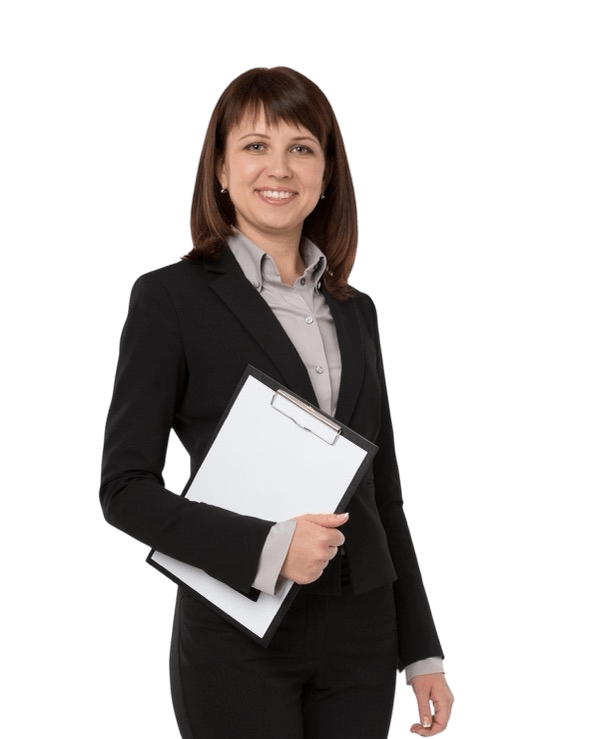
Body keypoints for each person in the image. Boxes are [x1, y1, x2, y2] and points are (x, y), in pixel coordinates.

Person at [99, 65, 454, 739]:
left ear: (326, 173)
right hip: (238, 628)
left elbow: (385, 494)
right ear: (221, 170)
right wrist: (269, 548)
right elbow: (124, 490)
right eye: (255, 145)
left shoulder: (357, 310)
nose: (280, 167)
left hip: (362, 631)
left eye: (301, 147)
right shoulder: (169, 298)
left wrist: (421, 651)